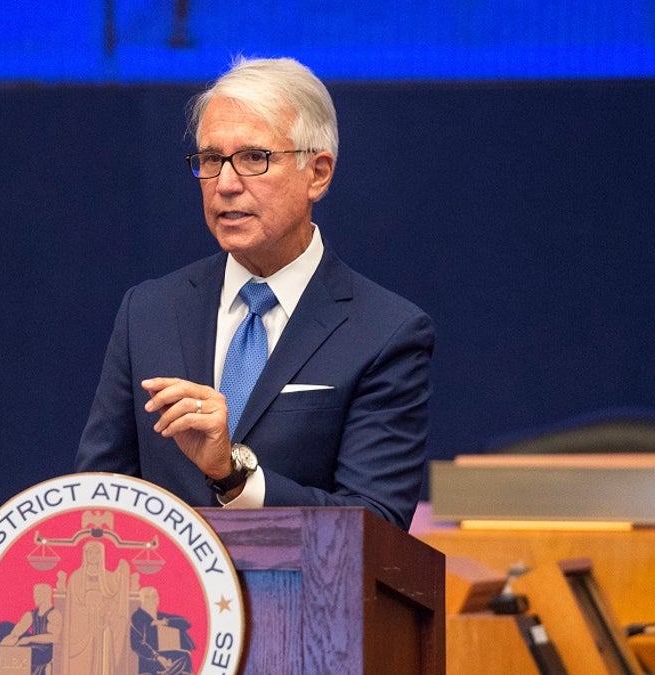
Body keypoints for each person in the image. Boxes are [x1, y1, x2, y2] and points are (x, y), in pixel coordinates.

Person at [74, 56, 434, 530]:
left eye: (253, 158)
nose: (224, 184)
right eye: (209, 160)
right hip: (165, 602)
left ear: (318, 173)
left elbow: (377, 526)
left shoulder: (385, 332)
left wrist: (235, 476)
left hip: (306, 602)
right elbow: (99, 498)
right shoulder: (149, 312)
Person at [60, 540, 132, 674]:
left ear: (102, 555)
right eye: (90, 552)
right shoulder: (75, 578)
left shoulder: (109, 578)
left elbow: (115, 600)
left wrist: (123, 573)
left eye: (97, 552)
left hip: (101, 629)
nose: (93, 556)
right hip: (82, 632)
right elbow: (73, 610)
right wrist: (89, 613)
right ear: (85, 555)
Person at [0, 583, 62, 675]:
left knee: (16, 652)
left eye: (37, 594)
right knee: (5, 627)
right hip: (31, 646)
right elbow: (14, 635)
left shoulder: (54, 614)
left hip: (45, 651)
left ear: (45, 595)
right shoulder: (30, 615)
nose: (34, 597)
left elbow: (54, 638)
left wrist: (29, 639)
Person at [130, 587, 194, 675]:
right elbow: (137, 644)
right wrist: (157, 657)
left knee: (185, 657)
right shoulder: (138, 617)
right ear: (146, 599)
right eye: (154, 596)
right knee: (184, 658)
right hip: (148, 657)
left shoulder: (157, 615)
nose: (157, 599)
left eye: (157, 596)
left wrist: (164, 622)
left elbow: (186, 623)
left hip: (162, 653)